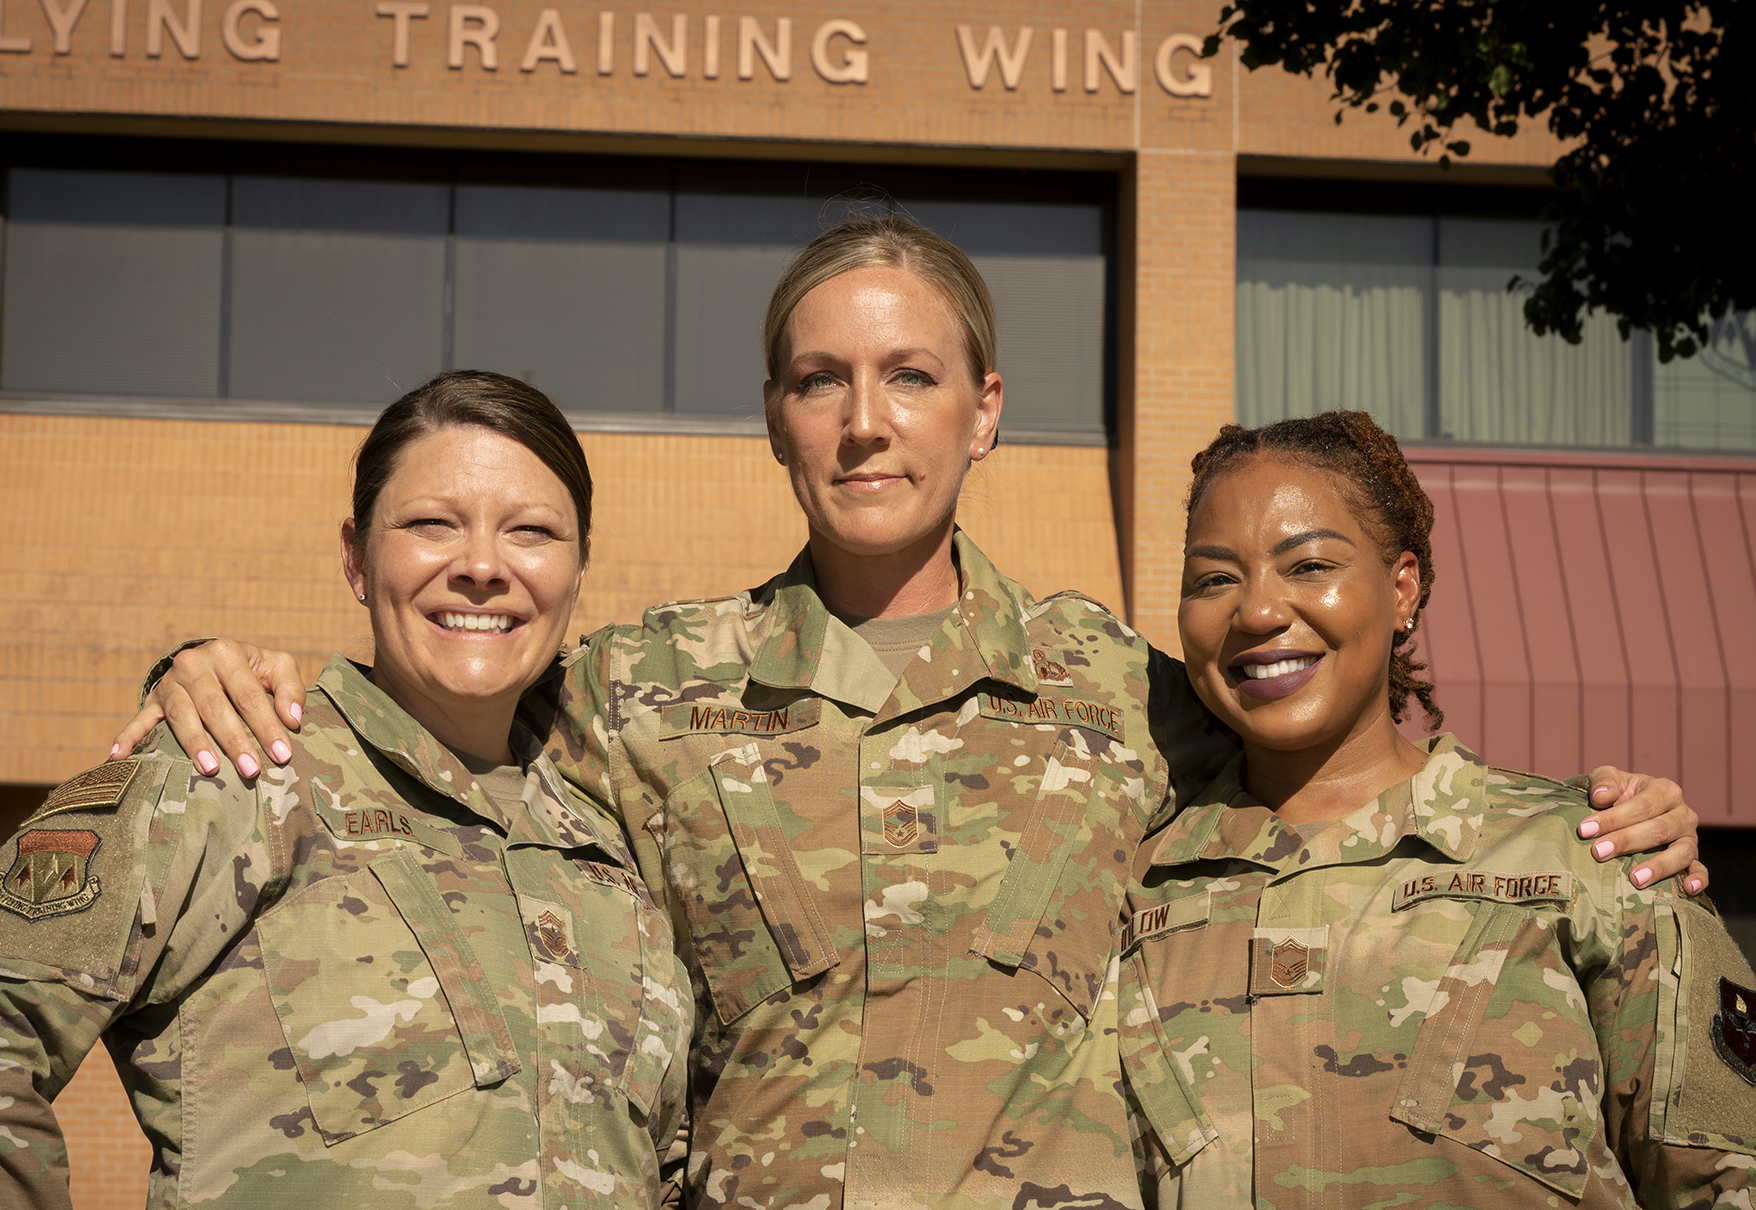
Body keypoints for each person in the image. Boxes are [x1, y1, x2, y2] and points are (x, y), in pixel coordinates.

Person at [111, 219, 1708, 1209]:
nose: (866, 422)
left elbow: (1357, 780)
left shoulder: (1132, 694)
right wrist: (205, 664)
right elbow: (433, 725)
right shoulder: (639, 687)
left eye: (911, 376)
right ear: (776, 418)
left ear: (986, 407)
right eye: (820, 380)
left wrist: (1606, 821)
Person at [0, 371, 692, 1209]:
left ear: (579, 571)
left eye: (533, 532)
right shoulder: (239, 773)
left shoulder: (614, 859)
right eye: (432, 524)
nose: (481, 566)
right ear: (357, 558)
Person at [1120, 411, 1754, 1208]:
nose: (1255, 612)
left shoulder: (1591, 857)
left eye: (1309, 565)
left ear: (1401, 587)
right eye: (1215, 578)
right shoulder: (1130, 892)